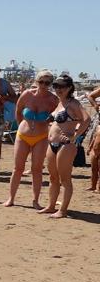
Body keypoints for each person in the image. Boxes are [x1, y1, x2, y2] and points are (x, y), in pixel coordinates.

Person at [4, 71, 58, 209]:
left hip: (41, 137)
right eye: (41, 82)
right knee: (18, 168)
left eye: (47, 83)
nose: (44, 85)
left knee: (37, 169)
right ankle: (11, 198)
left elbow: (57, 117)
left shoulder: (53, 100)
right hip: (23, 135)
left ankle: (35, 201)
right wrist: (21, 125)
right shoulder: (27, 94)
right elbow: (18, 110)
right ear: (37, 81)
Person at [39, 75, 90, 218]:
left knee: (65, 179)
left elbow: (86, 119)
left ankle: (62, 210)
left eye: (61, 87)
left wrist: (74, 136)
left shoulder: (73, 103)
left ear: (69, 88)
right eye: (56, 86)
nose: (58, 89)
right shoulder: (60, 103)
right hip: (52, 144)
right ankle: (51, 206)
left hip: (65, 145)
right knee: (53, 178)